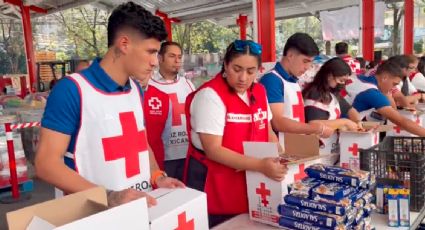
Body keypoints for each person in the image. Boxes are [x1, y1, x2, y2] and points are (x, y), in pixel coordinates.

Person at [35, 2, 183, 208]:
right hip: (90, 214)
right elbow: (46, 164)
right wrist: (108, 196)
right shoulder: (72, 90)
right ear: (124, 44)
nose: (154, 62)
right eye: (150, 52)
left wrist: (157, 176)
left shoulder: (135, 89)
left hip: (138, 207)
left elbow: (139, 140)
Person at [184, 40, 287, 228]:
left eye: (250, 71)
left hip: (252, 182)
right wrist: (260, 165)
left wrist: (280, 156)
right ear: (225, 65)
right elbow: (214, 149)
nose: (243, 78)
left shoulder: (259, 91)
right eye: (237, 69)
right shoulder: (210, 96)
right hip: (217, 186)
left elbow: (268, 130)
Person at [259, 33, 334, 148]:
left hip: (295, 149)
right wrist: (315, 128)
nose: (307, 67)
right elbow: (277, 122)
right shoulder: (272, 80)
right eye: (305, 61)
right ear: (290, 55)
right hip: (280, 150)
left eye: (310, 62)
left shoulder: (293, 80)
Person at [144, 41, 195, 181]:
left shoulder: (188, 84)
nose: (177, 60)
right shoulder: (148, 84)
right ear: (160, 58)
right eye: (172, 56)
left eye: (179, 57)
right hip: (164, 156)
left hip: (187, 153)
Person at [344, 60, 425, 136]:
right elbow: (402, 121)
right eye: (394, 84)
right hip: (342, 133)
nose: (393, 88)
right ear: (384, 78)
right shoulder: (373, 93)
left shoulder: (356, 77)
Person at [302, 58, 362, 153]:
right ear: (330, 76)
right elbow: (314, 124)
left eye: (345, 81)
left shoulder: (332, 93)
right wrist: (344, 122)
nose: (342, 84)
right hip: (317, 149)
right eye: (341, 80)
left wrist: (358, 122)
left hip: (331, 148)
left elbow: (350, 110)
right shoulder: (315, 93)